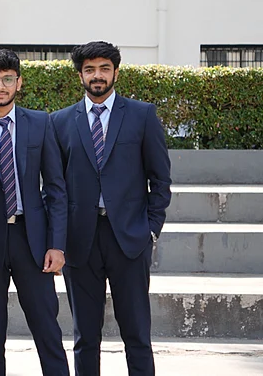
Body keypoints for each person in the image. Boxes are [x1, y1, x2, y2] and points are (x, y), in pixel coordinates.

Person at [50, 41, 172, 376]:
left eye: (104, 68)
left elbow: (160, 179)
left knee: (136, 334)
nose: (97, 76)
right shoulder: (59, 122)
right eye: (89, 70)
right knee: (84, 336)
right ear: (80, 76)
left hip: (130, 239)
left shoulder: (142, 115)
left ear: (116, 71)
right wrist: (57, 241)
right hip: (80, 242)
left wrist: (150, 228)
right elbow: (54, 189)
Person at [0, 49, 70, 376]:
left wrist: (56, 244)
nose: (1, 86)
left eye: (8, 79)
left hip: (33, 240)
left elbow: (56, 187)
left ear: (19, 83)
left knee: (47, 329)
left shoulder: (40, 123)